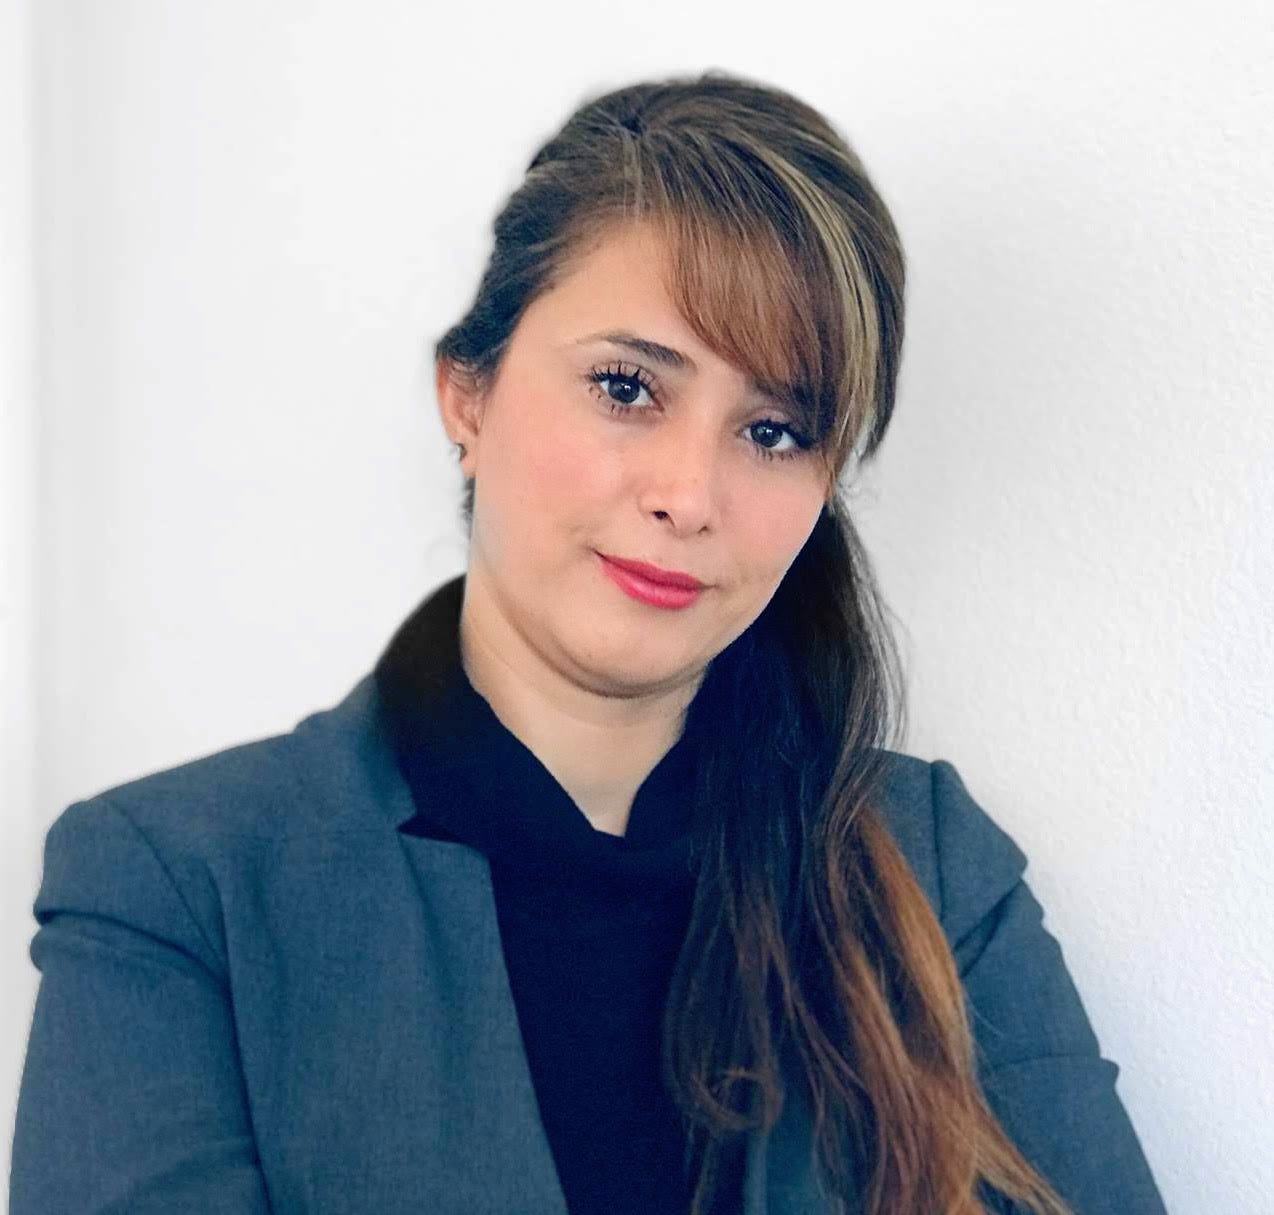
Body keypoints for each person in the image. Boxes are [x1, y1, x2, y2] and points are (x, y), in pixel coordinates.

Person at [10, 70, 1167, 1215]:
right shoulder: (179, 887)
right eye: (626, 387)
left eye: (772, 430)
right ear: (467, 397)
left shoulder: (932, 871)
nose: (689, 492)